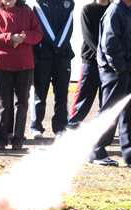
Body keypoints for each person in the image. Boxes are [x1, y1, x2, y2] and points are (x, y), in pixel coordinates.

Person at [90, 0, 131, 167]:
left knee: (130, 112)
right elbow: (109, 44)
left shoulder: (125, 10)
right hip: (115, 73)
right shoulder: (114, 11)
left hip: (126, 72)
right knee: (110, 111)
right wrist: (121, 68)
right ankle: (96, 150)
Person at [0, 0, 43, 150]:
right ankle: (0, 138)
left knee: (22, 103)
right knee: (3, 104)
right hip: (2, 66)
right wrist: (9, 38)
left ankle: (18, 138)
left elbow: (38, 35)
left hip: (24, 66)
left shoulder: (27, 13)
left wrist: (25, 37)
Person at [30, 0, 75, 138]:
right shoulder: (38, 4)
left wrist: (58, 45)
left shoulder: (68, 3)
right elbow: (41, 27)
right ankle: (36, 126)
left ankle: (60, 127)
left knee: (61, 94)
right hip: (42, 56)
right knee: (40, 93)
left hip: (62, 56)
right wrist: (55, 45)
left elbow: (68, 27)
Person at [67, 0, 110, 129]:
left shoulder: (113, 9)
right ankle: (73, 124)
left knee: (107, 98)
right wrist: (103, 55)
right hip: (91, 60)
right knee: (84, 95)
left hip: (110, 63)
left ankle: (104, 128)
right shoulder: (88, 9)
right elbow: (89, 36)